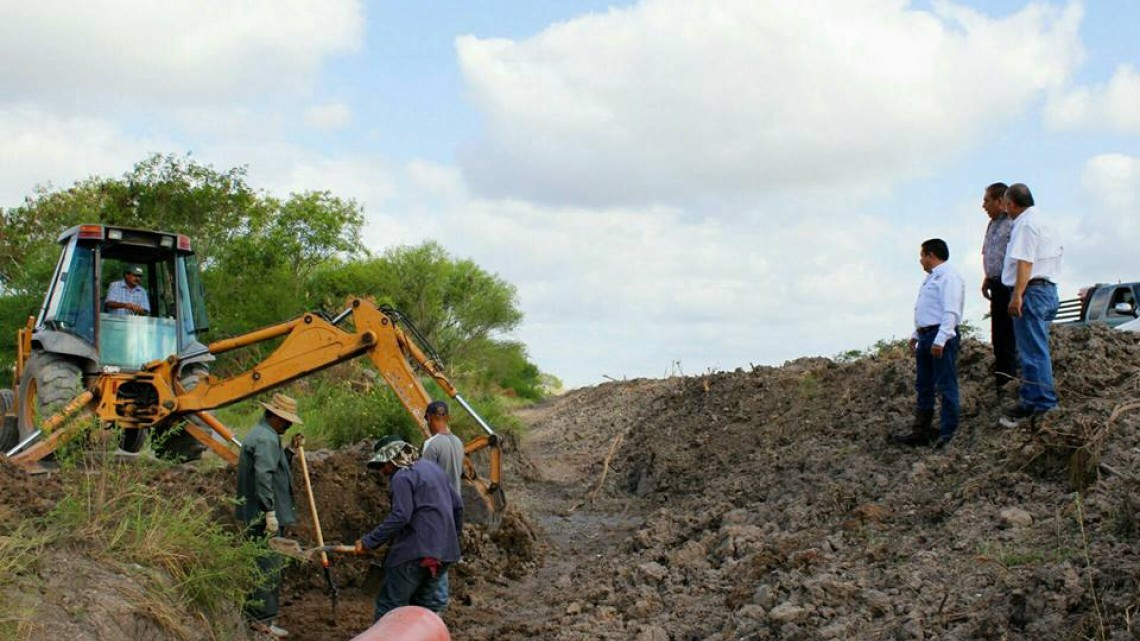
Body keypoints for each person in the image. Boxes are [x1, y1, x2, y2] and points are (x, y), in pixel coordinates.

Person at [356, 437, 463, 622]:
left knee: (389, 606)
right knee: (421, 608)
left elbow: (401, 515)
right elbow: (458, 505)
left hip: (415, 554)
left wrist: (368, 542)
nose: (382, 471)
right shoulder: (433, 469)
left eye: (383, 465)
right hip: (444, 554)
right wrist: (451, 538)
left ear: (392, 459)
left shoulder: (402, 476)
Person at [235, 393, 303, 638]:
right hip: (263, 517)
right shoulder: (265, 439)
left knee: (263, 565)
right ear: (274, 416)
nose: (288, 425)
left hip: (259, 514)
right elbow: (264, 477)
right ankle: (262, 622)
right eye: (286, 420)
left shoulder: (266, 435)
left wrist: (290, 452)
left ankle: (258, 618)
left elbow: (273, 467)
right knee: (267, 567)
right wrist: (270, 512)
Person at [1000, 183, 1063, 425]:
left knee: (1032, 351)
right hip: (1047, 290)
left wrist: (1017, 295)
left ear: (1012, 204)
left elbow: (1025, 262)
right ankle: (1030, 400)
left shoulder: (1025, 224)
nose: (1006, 210)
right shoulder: (1045, 221)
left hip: (1032, 292)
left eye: (1006, 205)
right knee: (1033, 349)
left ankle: (1044, 404)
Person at [895, 239, 964, 448]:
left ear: (931, 255)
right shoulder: (931, 279)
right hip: (927, 335)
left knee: (945, 384)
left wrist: (941, 339)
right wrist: (917, 333)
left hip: (939, 336)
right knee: (924, 385)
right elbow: (928, 310)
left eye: (922, 255)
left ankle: (947, 431)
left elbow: (951, 311)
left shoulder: (949, 277)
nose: (920, 260)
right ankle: (920, 432)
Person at [980, 182, 1017, 393]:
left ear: (1000, 201)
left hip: (1010, 285)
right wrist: (988, 277)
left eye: (987, 200)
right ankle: (1002, 379)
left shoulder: (1013, 223)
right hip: (996, 284)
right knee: (998, 335)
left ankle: (1012, 380)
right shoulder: (992, 225)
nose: (983, 205)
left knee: (1010, 335)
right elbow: (990, 253)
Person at [421, 400, 465, 497]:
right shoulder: (458, 442)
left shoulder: (430, 444)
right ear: (448, 418)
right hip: (456, 504)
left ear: (428, 417)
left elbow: (424, 478)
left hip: (438, 505)